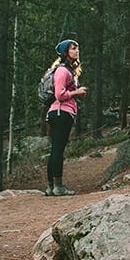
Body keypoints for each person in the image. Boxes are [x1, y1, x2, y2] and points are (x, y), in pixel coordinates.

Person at [45, 39, 87, 196]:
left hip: (58, 113)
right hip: (61, 113)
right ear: (65, 52)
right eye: (73, 48)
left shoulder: (68, 70)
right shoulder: (63, 71)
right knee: (58, 149)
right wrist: (77, 92)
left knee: (55, 149)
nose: (76, 51)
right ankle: (58, 187)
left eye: (77, 48)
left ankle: (50, 187)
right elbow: (59, 94)